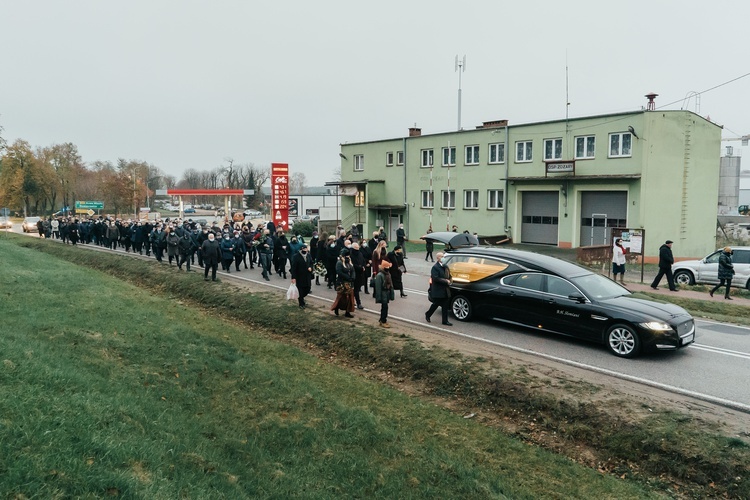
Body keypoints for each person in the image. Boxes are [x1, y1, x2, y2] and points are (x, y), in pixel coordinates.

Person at [425, 252, 453, 326]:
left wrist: (450, 280)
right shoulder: (435, 267)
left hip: (446, 290)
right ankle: (428, 314)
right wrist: (445, 281)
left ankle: (445, 320)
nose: (443, 258)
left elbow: (449, 275)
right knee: (436, 304)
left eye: (444, 256)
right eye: (442, 256)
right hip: (438, 290)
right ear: (438, 258)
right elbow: (435, 278)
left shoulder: (446, 266)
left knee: (445, 306)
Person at [331, 248, 355, 318]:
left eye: (348, 255)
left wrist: (352, 277)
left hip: (349, 282)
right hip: (341, 282)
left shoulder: (349, 262)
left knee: (350, 297)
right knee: (341, 297)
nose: (348, 257)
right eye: (346, 255)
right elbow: (339, 272)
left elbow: (353, 270)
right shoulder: (339, 263)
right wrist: (347, 277)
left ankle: (348, 311)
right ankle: (336, 308)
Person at [290, 243, 314, 308]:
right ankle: (301, 303)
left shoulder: (308, 255)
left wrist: (311, 268)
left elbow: (311, 263)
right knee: (300, 289)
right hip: (300, 276)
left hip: (307, 275)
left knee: (308, 289)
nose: (306, 250)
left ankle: (301, 298)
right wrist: (293, 277)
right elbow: (294, 267)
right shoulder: (296, 256)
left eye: (306, 248)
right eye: (304, 248)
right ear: (301, 249)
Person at [374, 259, 395, 328]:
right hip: (383, 293)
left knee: (385, 307)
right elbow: (378, 287)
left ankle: (382, 319)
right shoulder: (379, 275)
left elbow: (391, 284)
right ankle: (383, 321)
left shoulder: (388, 274)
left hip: (387, 293)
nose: (388, 269)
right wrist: (378, 297)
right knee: (385, 307)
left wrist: (392, 294)